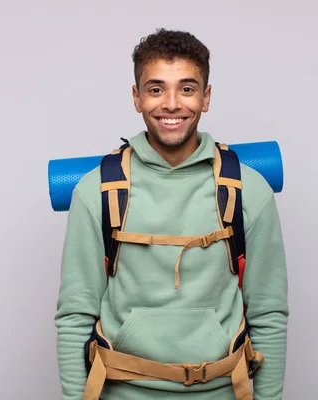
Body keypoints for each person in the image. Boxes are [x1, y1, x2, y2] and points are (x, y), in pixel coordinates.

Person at [54, 28, 289, 400]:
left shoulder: (249, 188)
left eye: (187, 88)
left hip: (223, 390)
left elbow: (269, 315)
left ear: (206, 97)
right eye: (156, 88)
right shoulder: (94, 190)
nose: (172, 104)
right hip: (123, 390)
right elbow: (74, 317)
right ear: (137, 97)